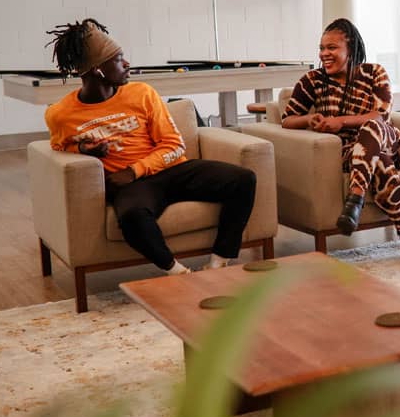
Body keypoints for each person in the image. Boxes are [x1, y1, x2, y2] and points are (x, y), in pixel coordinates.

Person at [43, 19, 257, 275]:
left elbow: (174, 145)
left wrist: (134, 170)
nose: (127, 64)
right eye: (119, 59)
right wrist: (85, 152)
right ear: (98, 70)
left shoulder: (142, 93)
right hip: (134, 188)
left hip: (168, 170)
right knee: (132, 217)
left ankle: (219, 263)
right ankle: (178, 273)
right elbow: (58, 145)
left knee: (244, 180)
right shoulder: (61, 114)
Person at [281, 18, 400, 266]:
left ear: (350, 50)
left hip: (387, 142)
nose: (324, 54)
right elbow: (288, 120)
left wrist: (340, 122)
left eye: (332, 48)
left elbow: (381, 116)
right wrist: (310, 119)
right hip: (350, 153)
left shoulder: (374, 73)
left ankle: (356, 198)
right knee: (380, 164)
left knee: (372, 126)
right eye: (322, 48)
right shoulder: (312, 80)